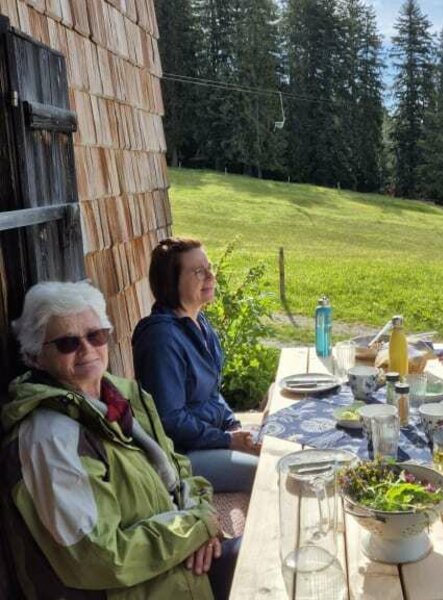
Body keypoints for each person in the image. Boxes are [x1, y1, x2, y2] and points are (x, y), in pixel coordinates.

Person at [0, 281, 239, 599]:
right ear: (35, 357)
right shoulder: (49, 438)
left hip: (175, 565)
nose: (87, 349)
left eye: (95, 335)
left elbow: (179, 468)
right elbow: (96, 556)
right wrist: (197, 528)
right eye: (67, 343)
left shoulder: (122, 397)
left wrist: (201, 524)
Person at [132, 237, 259, 493]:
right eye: (199, 271)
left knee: (279, 448)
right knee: (267, 471)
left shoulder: (199, 323)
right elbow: (170, 420)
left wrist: (233, 424)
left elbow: (211, 393)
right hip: (181, 456)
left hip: (210, 439)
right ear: (171, 281)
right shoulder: (161, 338)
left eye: (210, 267)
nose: (211, 276)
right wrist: (226, 440)